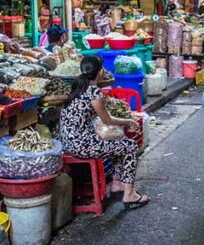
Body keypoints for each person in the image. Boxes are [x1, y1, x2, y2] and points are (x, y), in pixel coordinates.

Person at [59, 56, 149, 210]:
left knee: (119, 145)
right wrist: (128, 121)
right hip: (81, 145)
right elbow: (107, 120)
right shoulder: (93, 91)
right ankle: (129, 194)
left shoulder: (77, 86)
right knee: (131, 146)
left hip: (68, 142)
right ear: (100, 72)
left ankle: (117, 184)